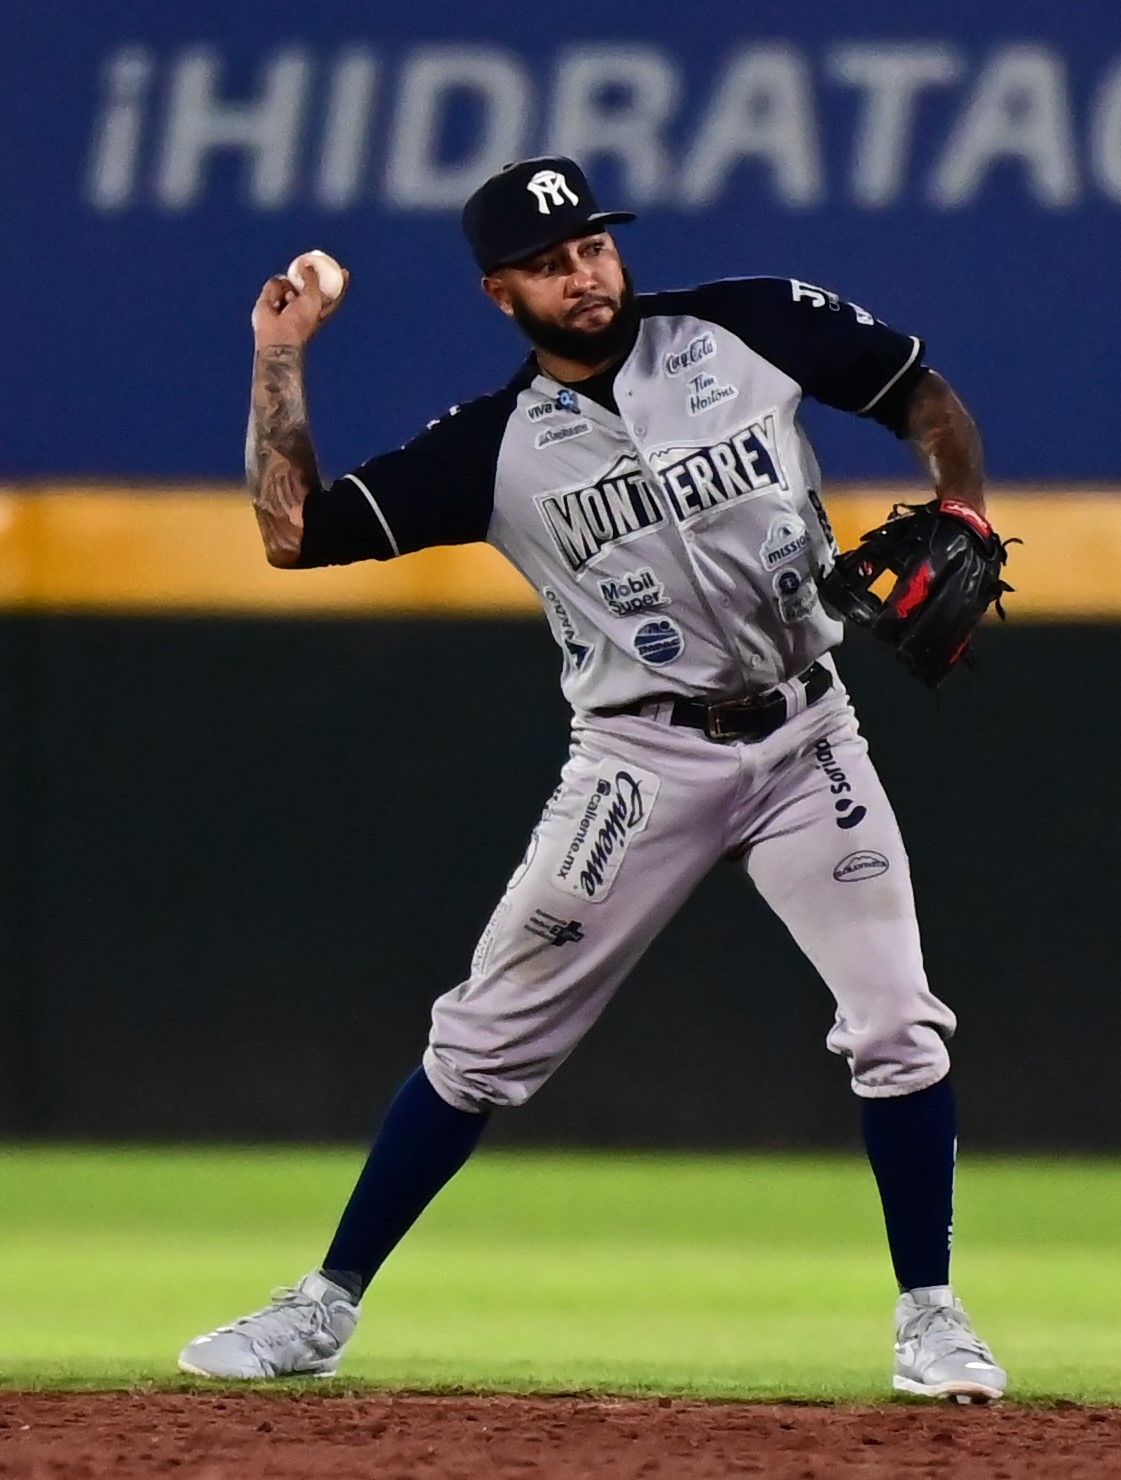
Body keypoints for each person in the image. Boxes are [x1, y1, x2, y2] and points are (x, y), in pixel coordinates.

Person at [178, 155, 1006, 1403]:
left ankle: (932, 1317)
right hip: (640, 756)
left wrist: (965, 508)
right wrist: (279, 354)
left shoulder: (748, 326)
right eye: (551, 264)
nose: (585, 273)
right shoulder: (493, 446)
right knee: (482, 1040)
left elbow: (917, 391)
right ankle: (322, 1306)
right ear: (499, 292)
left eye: (595, 248)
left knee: (896, 1022)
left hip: (805, 738)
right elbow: (292, 531)